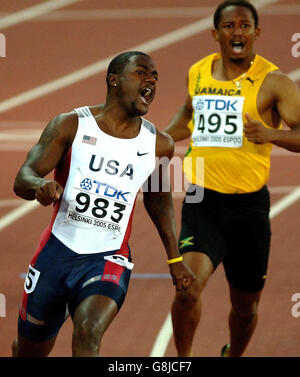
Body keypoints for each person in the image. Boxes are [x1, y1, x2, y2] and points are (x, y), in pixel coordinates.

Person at [12, 51, 195, 357]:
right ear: (114, 80)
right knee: (30, 350)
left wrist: (174, 260)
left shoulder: (158, 144)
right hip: (56, 254)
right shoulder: (71, 125)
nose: (151, 80)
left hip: (109, 257)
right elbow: (23, 178)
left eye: (155, 76)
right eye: (141, 73)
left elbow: (159, 202)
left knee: (89, 329)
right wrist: (39, 186)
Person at [165, 0, 300, 357]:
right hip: (201, 198)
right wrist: (155, 140)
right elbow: (186, 117)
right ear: (215, 34)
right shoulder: (198, 72)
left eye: (244, 25)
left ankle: (233, 355)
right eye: (229, 26)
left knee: (244, 307)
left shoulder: (275, 82)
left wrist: (271, 135)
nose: (237, 32)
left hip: (249, 206)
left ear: (256, 32)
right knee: (187, 288)